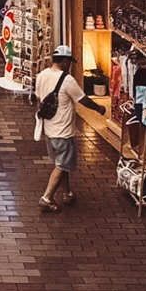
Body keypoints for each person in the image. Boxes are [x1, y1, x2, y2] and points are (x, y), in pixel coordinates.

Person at [33, 44, 106, 211]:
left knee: (61, 163)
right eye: (70, 61)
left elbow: (39, 98)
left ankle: (67, 194)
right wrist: (99, 108)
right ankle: (47, 197)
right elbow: (83, 100)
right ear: (65, 61)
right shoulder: (67, 80)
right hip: (63, 131)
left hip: (49, 129)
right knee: (62, 165)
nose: (70, 65)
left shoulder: (42, 75)